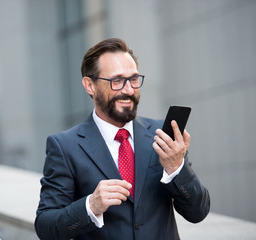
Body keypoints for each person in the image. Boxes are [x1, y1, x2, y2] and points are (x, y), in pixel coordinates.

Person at [35, 38, 210, 240]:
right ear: (89, 85)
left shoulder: (162, 136)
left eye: (134, 79)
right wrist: (91, 206)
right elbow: (45, 227)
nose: (128, 90)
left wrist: (176, 168)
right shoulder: (65, 147)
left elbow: (198, 212)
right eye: (117, 81)